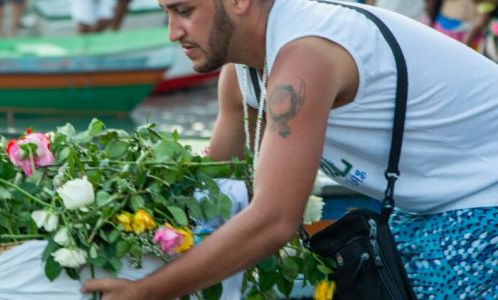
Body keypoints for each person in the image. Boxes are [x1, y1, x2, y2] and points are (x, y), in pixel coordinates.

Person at [81, 0, 498, 299]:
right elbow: (217, 187)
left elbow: (274, 220)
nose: (173, 32)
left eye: (184, 11)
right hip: (431, 207)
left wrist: (149, 292)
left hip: (482, 204)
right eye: (166, 13)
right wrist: (103, 215)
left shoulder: (307, 54)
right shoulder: (242, 75)